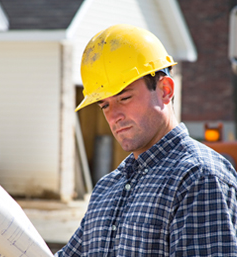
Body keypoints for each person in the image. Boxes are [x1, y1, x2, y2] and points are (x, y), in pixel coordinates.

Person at [55, 24, 237, 256]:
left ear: (165, 90)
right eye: (105, 105)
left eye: (125, 98)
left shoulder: (198, 177)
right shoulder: (108, 187)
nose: (113, 116)